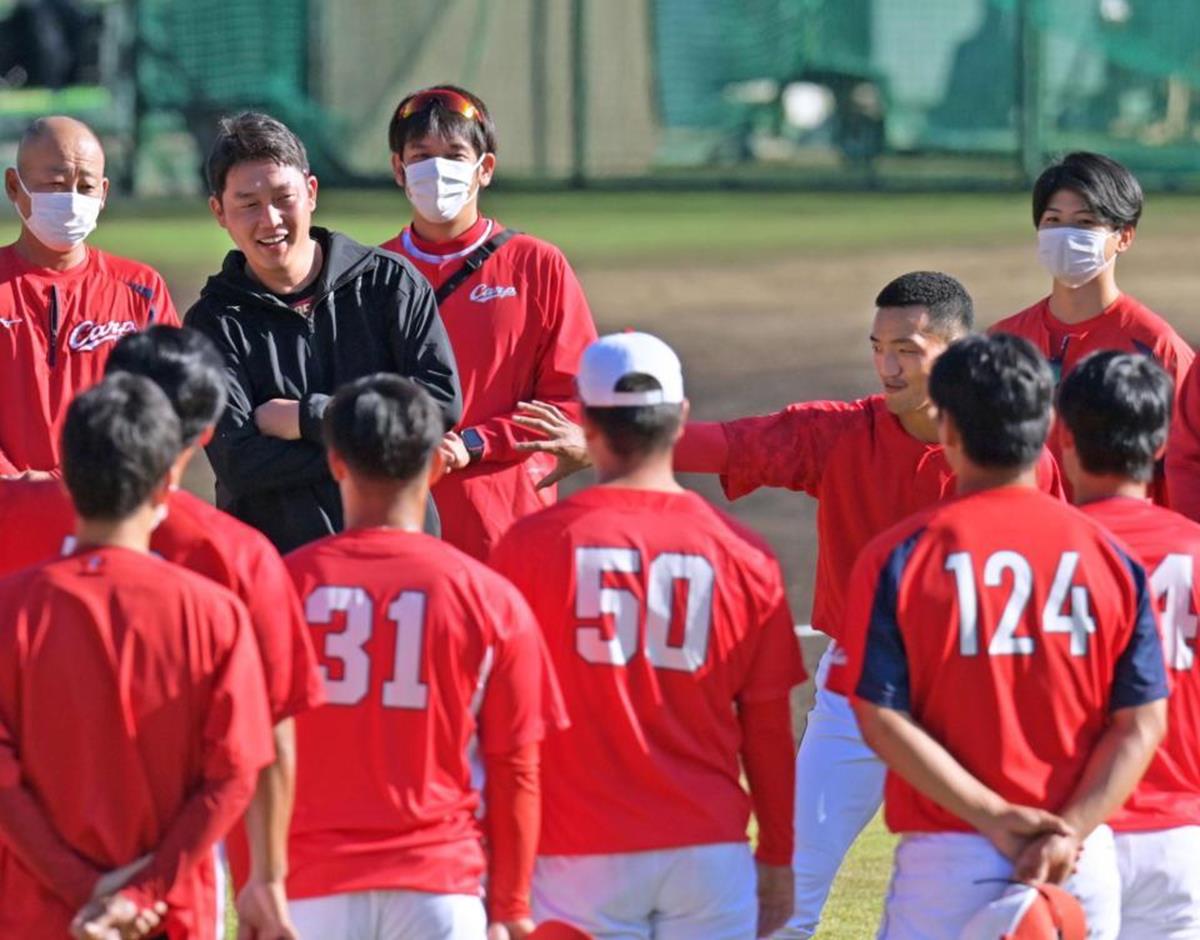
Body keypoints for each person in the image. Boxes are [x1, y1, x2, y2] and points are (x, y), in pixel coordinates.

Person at [513, 272, 1063, 938]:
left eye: (908, 349)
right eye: (878, 346)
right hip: (860, 689)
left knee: (1010, 889)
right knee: (784, 904)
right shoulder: (840, 434)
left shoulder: (1013, 459)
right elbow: (727, 443)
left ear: (959, 352)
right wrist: (607, 442)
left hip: (977, 693)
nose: (888, 366)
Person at [835, 334, 1168, 939]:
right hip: (1078, 862)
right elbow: (1143, 722)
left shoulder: (900, 556)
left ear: (947, 430)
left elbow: (879, 715)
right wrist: (1069, 829)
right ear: (1047, 426)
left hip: (951, 858)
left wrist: (994, 818)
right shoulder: (1110, 556)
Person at [0, 325, 326, 938]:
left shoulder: (13, 520)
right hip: (170, 895)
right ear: (204, 434)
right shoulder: (236, 561)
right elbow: (264, 739)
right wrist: (268, 878)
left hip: (28, 889)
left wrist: (77, 884)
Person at [491, 332, 807, 939]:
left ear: (584, 422)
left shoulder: (531, 547)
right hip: (708, 854)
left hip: (578, 853)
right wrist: (777, 855)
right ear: (682, 417)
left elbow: (504, 728)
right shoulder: (745, 555)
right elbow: (766, 729)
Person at [284, 374, 562, 939]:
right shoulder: (488, 598)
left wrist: (257, 879)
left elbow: (251, 755)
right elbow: (517, 767)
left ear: (336, 463)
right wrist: (510, 905)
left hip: (311, 886)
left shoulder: (282, 587)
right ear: (437, 466)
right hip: (440, 886)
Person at [184, 111, 462, 553]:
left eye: (282, 197)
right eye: (248, 203)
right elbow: (239, 462)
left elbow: (440, 405)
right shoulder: (213, 324)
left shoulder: (390, 284)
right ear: (219, 211)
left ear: (311, 192)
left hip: (400, 553)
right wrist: (380, 445)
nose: (270, 220)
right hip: (280, 570)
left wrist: (306, 418)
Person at [381, 84, 597, 559]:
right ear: (399, 169)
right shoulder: (370, 273)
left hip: (508, 523)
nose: (438, 169)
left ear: (485, 169)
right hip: (397, 519)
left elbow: (574, 400)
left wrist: (476, 443)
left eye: (455, 154)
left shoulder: (537, 265)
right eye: (422, 155)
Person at [1058, 351, 1200, 937]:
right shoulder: (1195, 550)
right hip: (1181, 839)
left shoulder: (1051, 554)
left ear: (1063, 437)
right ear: (1162, 442)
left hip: (1076, 829)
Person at [989, 151, 1194, 502]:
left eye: (1085, 223)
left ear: (1124, 236)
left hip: (1124, 548)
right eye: (1053, 220)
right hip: (1029, 546)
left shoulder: (1158, 348)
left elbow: (1188, 468)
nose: (1065, 235)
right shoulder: (1002, 342)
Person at [0, 115, 179, 479]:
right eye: (55, 183)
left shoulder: (141, 288)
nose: (71, 199)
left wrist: (73, 483)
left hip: (108, 510)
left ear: (104, 193)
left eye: (85, 187)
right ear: (14, 186)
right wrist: (17, 485)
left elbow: (169, 407)